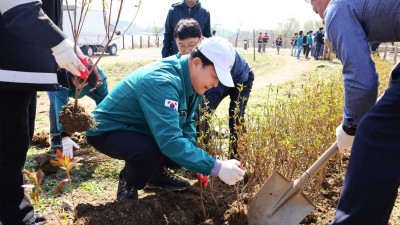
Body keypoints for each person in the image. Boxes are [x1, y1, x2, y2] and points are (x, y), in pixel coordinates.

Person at [86, 37, 246, 202]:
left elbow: (187, 120)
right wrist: (215, 167)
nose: (215, 84)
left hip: (140, 127)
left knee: (180, 154)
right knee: (151, 151)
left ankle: (155, 175)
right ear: (197, 63)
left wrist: (196, 163)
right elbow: (169, 140)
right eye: (214, 76)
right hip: (107, 130)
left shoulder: (193, 81)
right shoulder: (162, 82)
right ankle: (129, 182)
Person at [308, 0, 400, 224]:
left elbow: (361, 81)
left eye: (311, 2)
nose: (314, 10)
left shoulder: (337, 8)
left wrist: (351, 125)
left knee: (376, 133)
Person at [0, 0, 86, 224]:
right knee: (9, 146)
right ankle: (15, 215)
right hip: (7, 68)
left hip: (21, 70)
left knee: (17, 143)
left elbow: (43, 12)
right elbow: (17, 8)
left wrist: (65, 48)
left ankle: (13, 209)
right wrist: (60, 44)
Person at [174, 18, 254, 160]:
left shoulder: (211, 55)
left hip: (241, 78)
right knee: (200, 114)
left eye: (191, 45)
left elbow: (214, 85)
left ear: (201, 40)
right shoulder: (197, 59)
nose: (187, 52)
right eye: (182, 46)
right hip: (218, 76)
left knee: (235, 118)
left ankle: (236, 160)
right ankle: (205, 156)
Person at [49, 60, 109, 158]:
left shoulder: (98, 78)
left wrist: (104, 126)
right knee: (54, 103)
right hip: (64, 86)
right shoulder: (62, 77)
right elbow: (60, 106)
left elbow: (104, 102)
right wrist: (64, 135)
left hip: (90, 85)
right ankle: (56, 136)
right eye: (78, 81)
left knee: (103, 103)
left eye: (83, 83)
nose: (80, 86)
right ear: (71, 76)